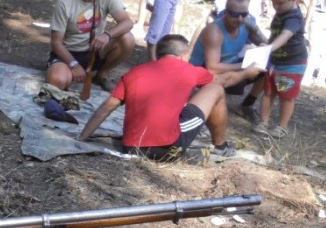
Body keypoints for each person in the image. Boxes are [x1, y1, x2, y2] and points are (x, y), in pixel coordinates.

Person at [78, 34, 236, 162]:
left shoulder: (134, 72)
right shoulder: (190, 70)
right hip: (166, 147)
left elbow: (107, 106)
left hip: (131, 147)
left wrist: (82, 138)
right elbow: (219, 82)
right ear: (183, 56)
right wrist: (246, 72)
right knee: (215, 89)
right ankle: (221, 146)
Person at [45, 0, 135, 93]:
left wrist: (106, 35)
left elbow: (127, 22)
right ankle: (69, 73)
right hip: (69, 53)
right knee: (58, 80)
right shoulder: (65, 3)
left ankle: (101, 74)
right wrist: (73, 64)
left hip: (95, 50)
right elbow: (56, 43)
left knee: (127, 38)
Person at [188, 0, 267, 120]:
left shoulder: (246, 24)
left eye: (244, 14)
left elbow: (264, 42)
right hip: (202, 73)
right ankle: (199, 105)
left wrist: (264, 47)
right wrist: (245, 67)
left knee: (267, 67)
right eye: (235, 14)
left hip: (227, 68)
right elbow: (212, 67)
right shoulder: (214, 32)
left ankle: (246, 106)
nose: (239, 19)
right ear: (225, 12)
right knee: (214, 75)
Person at [256, 0, 307, 138]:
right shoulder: (280, 13)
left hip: (292, 63)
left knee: (286, 96)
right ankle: (263, 122)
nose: (277, 7)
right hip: (274, 62)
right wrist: (267, 45)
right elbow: (275, 34)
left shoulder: (294, 17)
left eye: (281, 3)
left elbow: (285, 36)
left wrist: (268, 49)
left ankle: (281, 126)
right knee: (268, 92)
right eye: (274, 3)